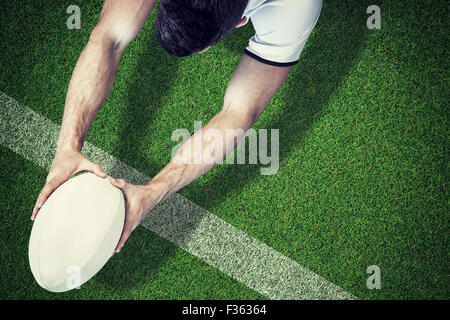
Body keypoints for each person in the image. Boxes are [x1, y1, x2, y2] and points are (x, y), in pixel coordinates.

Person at [32, 0, 323, 253]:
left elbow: (239, 111)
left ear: (240, 22)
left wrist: (153, 191)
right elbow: (110, 36)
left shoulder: (294, 8)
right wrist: (67, 144)